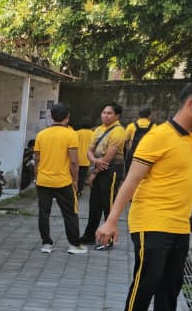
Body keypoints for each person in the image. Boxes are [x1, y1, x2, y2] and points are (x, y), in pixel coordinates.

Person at [97, 82, 192, 311]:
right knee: (146, 282)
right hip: (151, 221)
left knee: (171, 285)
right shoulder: (157, 137)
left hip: (178, 225)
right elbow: (131, 182)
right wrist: (111, 221)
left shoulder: (191, 139)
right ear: (191, 103)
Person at [34, 103, 85, 254]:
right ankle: (74, 245)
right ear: (67, 118)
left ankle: (46, 244)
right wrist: (75, 180)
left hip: (43, 180)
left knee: (44, 212)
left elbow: (37, 159)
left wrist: (37, 177)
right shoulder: (71, 134)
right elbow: (74, 161)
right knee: (70, 213)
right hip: (63, 181)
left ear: (51, 116)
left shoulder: (41, 135)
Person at [84, 103, 127, 249]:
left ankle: (108, 241)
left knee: (108, 205)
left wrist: (93, 174)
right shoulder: (99, 129)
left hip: (111, 170)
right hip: (99, 166)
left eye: (109, 113)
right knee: (94, 204)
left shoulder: (119, 131)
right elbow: (89, 151)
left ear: (117, 116)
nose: (105, 115)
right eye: (103, 112)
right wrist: (95, 161)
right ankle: (89, 236)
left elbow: (108, 159)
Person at [123, 108, 154, 174]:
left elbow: (125, 140)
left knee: (130, 173)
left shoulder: (131, 126)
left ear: (139, 116)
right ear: (149, 116)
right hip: (148, 154)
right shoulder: (154, 126)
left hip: (133, 153)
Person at [74, 121, 94, 198]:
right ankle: (79, 191)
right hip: (86, 159)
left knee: (75, 175)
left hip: (76, 158)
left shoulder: (76, 133)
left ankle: (74, 190)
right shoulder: (93, 134)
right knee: (82, 177)